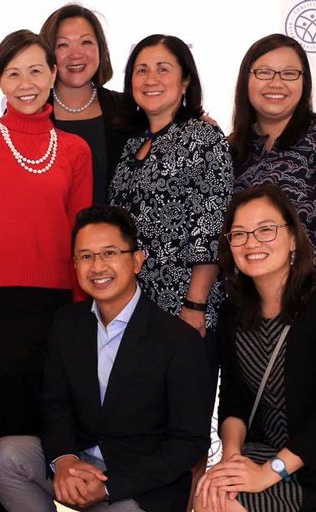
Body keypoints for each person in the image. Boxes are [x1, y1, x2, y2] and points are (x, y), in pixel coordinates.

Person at [0, 205, 212, 512]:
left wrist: (110, 486)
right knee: (5, 456)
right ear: (75, 265)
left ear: (136, 261)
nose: (97, 266)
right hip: (78, 461)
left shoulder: (178, 340)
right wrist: (63, 459)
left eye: (109, 253)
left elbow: (189, 443)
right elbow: (55, 403)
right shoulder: (67, 324)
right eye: (86, 256)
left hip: (139, 482)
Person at [194, 184, 316, 512]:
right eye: (239, 234)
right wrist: (231, 462)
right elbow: (234, 402)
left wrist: (267, 474)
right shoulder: (233, 311)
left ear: (293, 238)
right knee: (211, 494)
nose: (251, 242)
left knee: (231, 506)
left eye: (266, 230)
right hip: (265, 450)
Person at [0, 29, 92, 441]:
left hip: (55, 300)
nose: (25, 84)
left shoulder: (74, 148)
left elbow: (80, 231)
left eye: (34, 71)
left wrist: (81, 303)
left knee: (52, 411)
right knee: (8, 416)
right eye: (13, 74)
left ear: (52, 74)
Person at [108, 34, 233, 340]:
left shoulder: (204, 137)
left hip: (184, 308)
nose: (151, 79)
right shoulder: (131, 144)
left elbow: (212, 225)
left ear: (185, 80)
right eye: (141, 70)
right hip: (133, 307)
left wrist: (195, 303)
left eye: (163, 69)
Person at [230, 34, 316, 289]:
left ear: (305, 81)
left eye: (289, 73)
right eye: (264, 72)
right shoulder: (231, 148)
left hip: (311, 290)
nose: (276, 83)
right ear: (246, 79)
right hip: (246, 294)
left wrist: (289, 273)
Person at [39, 4, 127, 204]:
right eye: (62, 45)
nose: (76, 54)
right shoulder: (31, 111)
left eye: (86, 42)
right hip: (51, 233)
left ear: (100, 48)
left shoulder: (125, 108)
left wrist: (190, 118)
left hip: (112, 233)